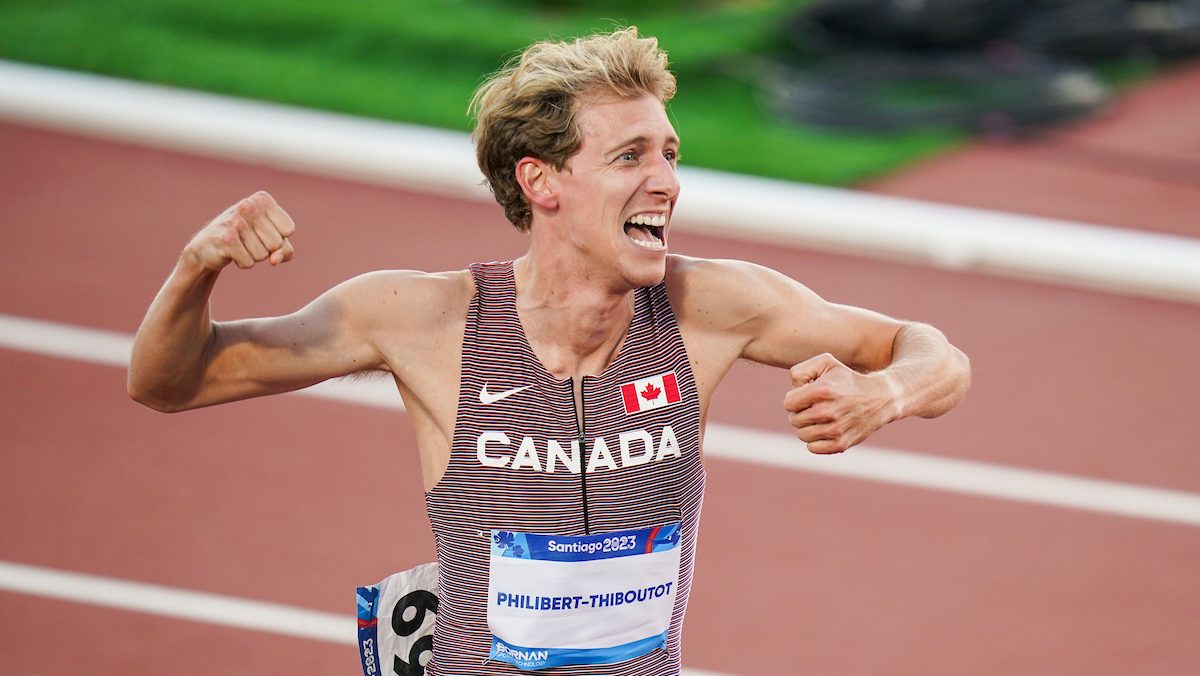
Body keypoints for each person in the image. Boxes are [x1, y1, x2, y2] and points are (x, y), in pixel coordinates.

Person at [128, 26, 969, 675]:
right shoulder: (423, 319)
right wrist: (196, 267)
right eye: (631, 156)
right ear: (542, 182)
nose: (667, 181)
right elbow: (170, 383)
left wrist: (885, 393)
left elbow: (931, 352)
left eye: (670, 153)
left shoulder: (704, 306)